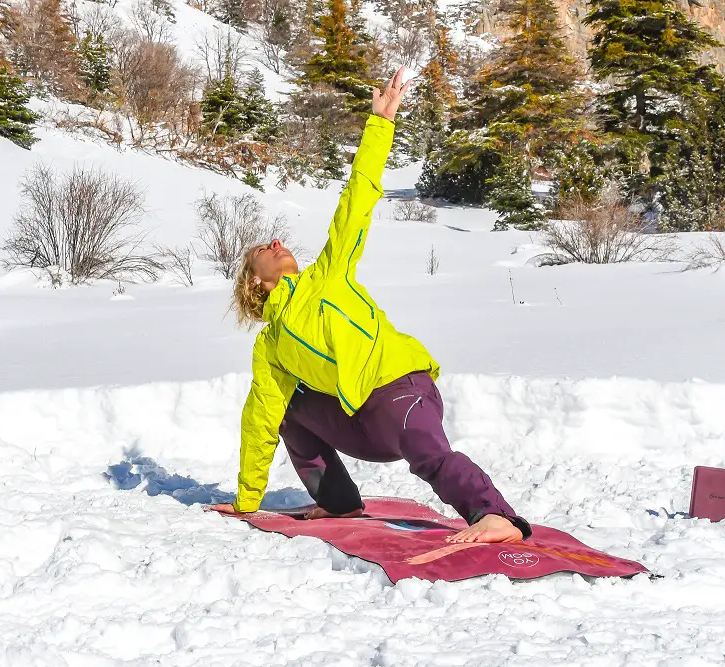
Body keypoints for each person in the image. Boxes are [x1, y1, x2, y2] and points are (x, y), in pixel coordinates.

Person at [211, 67, 531, 544]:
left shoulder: (328, 271)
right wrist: (246, 502)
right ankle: (339, 501)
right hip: (362, 422)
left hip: (401, 388)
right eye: (264, 249)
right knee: (287, 409)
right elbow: (260, 418)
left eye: (275, 239)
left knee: (430, 457)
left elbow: (356, 202)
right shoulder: (271, 345)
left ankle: (492, 514)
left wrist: (380, 124)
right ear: (257, 283)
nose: (276, 241)